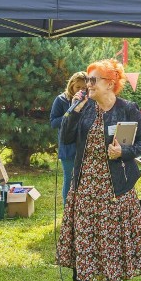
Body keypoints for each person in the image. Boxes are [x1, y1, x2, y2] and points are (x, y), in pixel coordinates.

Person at [57, 59, 141, 281]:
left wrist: (124, 152)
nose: (88, 85)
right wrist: (74, 108)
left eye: (93, 80)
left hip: (116, 189)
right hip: (85, 187)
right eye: (87, 80)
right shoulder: (83, 107)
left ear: (110, 83)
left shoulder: (128, 109)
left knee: (112, 247)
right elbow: (65, 137)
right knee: (83, 246)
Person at [50, 71, 88, 205]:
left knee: (84, 180)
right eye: (78, 87)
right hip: (68, 147)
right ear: (71, 86)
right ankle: (67, 210)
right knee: (69, 178)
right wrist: (71, 113)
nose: (81, 91)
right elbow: (53, 122)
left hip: (85, 146)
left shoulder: (90, 100)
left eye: (85, 88)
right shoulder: (61, 100)